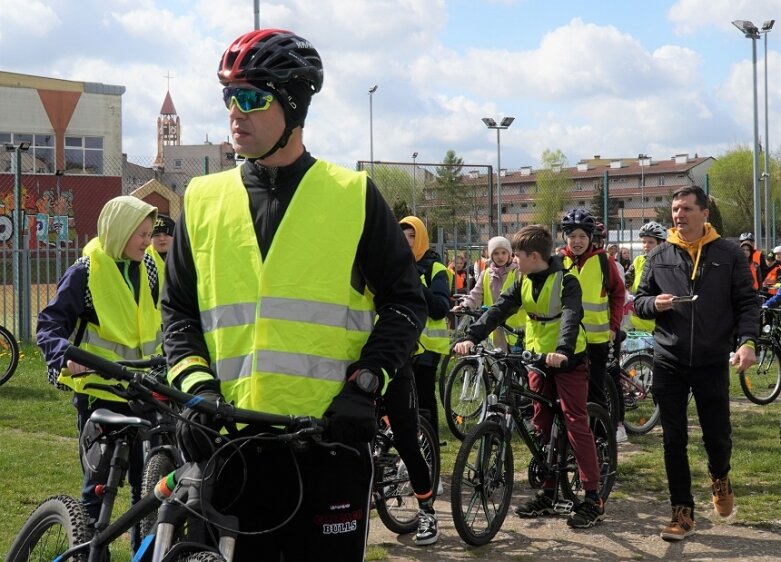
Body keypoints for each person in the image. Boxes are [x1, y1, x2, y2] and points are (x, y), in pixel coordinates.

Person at [160, 29, 426, 560]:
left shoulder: (351, 195)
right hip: (231, 441)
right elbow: (179, 312)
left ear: (294, 104)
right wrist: (196, 390)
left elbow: (405, 302)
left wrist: (367, 384)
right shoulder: (202, 198)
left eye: (253, 98)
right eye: (229, 97)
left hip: (327, 445)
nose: (237, 112)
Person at [453, 225, 606, 529]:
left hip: (567, 358)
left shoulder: (567, 281)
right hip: (536, 357)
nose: (514, 261)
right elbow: (499, 309)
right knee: (542, 423)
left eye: (518, 256)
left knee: (574, 420)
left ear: (534, 256)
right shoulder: (521, 278)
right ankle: (548, 494)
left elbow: (572, 317)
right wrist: (471, 336)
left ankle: (593, 498)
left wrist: (562, 350)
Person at [36, 195, 161, 552]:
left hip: (144, 392)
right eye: (140, 233)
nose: (146, 241)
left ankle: (144, 554)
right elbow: (49, 324)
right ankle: (90, 554)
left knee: (147, 490)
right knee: (98, 489)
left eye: (149, 233)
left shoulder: (150, 267)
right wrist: (64, 355)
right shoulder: (85, 271)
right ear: (119, 231)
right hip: (99, 396)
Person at [634, 185, 758, 541]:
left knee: (716, 437)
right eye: (675, 209)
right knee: (673, 439)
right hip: (668, 359)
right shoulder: (659, 256)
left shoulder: (729, 253)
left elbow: (747, 303)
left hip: (710, 360)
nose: (679, 215)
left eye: (687, 208)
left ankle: (720, 477)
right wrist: (653, 303)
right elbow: (639, 300)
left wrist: (747, 342)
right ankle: (682, 512)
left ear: (705, 213)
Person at [394, 215, 450, 545]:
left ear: (422, 238)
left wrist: (416, 279)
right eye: (402, 236)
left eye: (411, 236)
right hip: (400, 348)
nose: (406, 241)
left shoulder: (434, 268)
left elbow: (441, 308)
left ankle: (429, 468)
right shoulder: (391, 263)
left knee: (424, 409)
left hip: (428, 347)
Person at [560, 209, 626, 416]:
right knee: (568, 389)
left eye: (582, 236)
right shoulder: (558, 261)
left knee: (596, 390)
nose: (576, 241)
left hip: (596, 338)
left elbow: (618, 294)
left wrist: (614, 326)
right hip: (567, 338)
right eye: (572, 236)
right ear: (565, 238)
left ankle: (603, 435)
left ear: (590, 238)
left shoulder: (604, 261)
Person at [452, 235, 525, 351]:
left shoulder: (518, 272)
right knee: (498, 365)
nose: (500, 256)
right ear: (491, 255)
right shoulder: (486, 274)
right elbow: (475, 294)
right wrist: (464, 306)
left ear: (509, 254)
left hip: (516, 330)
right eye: (496, 253)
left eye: (503, 253)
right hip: (494, 328)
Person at [625, 221, 667, 332]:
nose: (646, 245)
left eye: (650, 242)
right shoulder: (638, 261)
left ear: (661, 243)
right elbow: (625, 282)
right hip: (635, 322)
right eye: (643, 242)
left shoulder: (668, 264)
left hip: (658, 326)